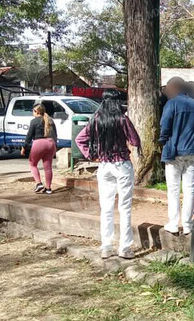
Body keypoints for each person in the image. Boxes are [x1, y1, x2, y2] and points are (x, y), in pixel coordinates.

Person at [75, 89, 142, 259]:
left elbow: (80, 139)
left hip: (104, 166)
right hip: (122, 165)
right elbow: (135, 140)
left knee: (106, 207)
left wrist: (92, 155)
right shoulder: (122, 119)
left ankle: (106, 246)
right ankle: (125, 248)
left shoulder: (96, 119)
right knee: (124, 207)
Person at [160, 77, 194, 235]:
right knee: (190, 189)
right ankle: (188, 224)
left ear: (174, 87)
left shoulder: (172, 104)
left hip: (174, 152)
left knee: (173, 189)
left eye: (168, 88)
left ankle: (173, 223)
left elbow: (165, 125)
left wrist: (162, 141)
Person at [22, 104, 57, 194]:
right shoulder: (50, 120)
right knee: (48, 167)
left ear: (36, 111)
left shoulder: (34, 121)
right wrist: (55, 146)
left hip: (39, 143)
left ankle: (38, 183)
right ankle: (48, 188)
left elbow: (29, 136)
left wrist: (24, 147)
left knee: (32, 164)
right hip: (50, 143)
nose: (32, 112)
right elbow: (55, 134)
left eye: (33, 111)